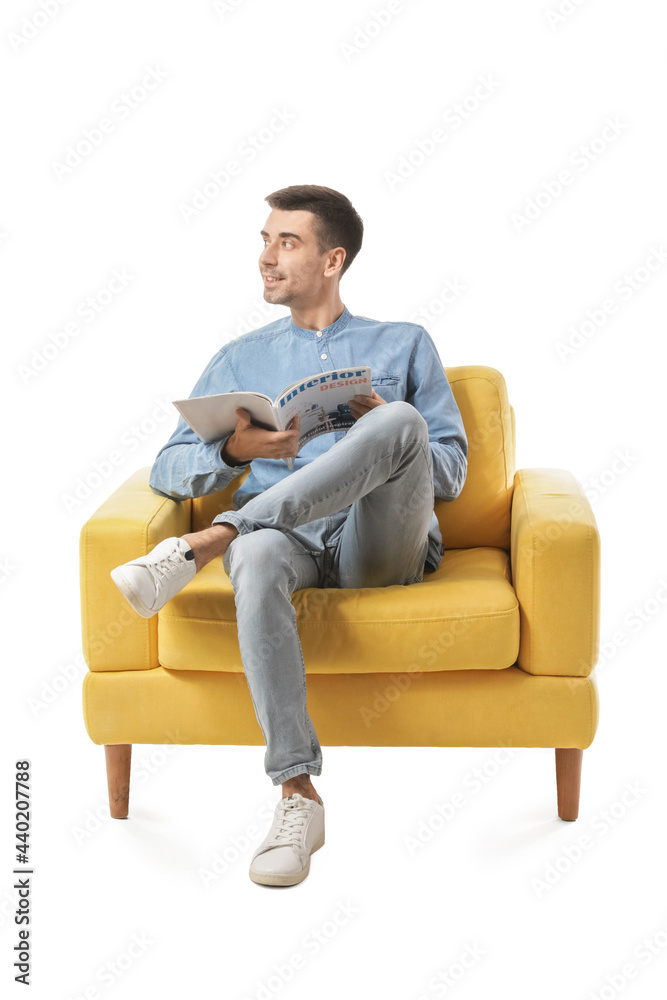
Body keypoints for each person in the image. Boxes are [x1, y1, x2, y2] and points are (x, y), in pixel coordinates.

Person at [110, 184, 468, 887]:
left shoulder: (404, 344)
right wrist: (237, 454)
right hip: (284, 544)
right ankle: (296, 795)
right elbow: (168, 466)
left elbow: (450, 472)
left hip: (378, 543)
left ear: (332, 260)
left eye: (286, 242)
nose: (266, 258)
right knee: (257, 551)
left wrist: (384, 426)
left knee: (399, 424)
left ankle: (204, 543)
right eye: (264, 241)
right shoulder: (239, 358)